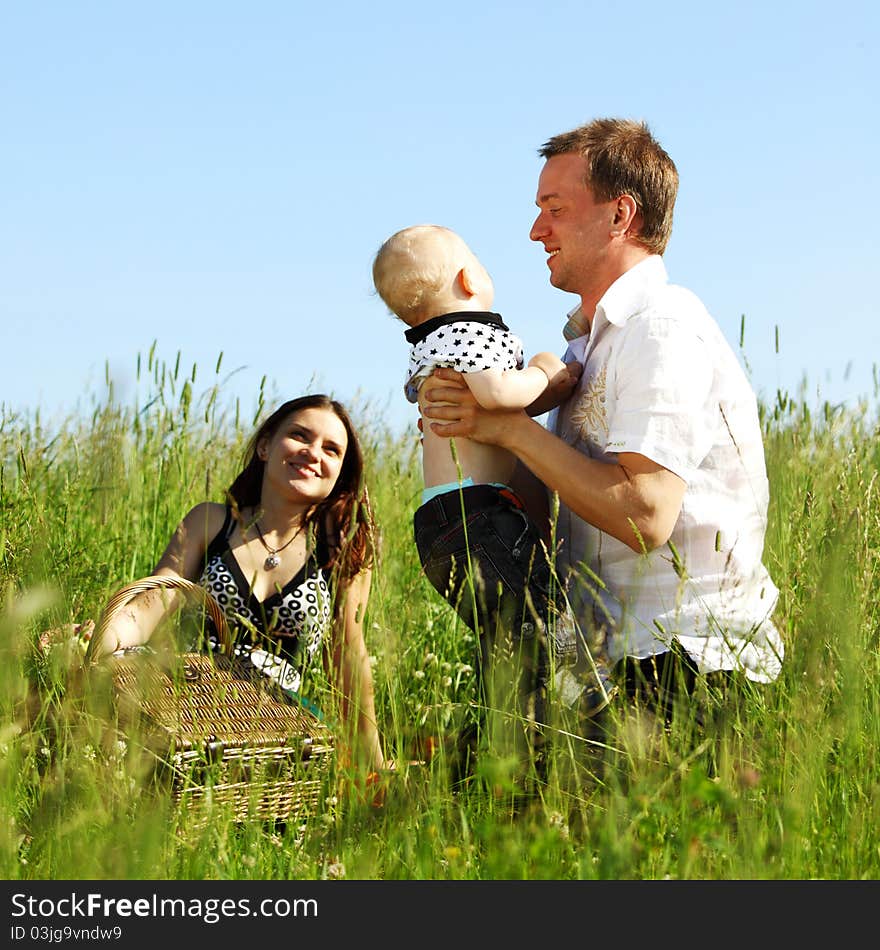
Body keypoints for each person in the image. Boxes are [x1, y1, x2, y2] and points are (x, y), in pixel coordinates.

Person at [421, 118, 783, 734]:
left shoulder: (661, 327)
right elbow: (551, 506)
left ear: (621, 215)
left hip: (684, 669)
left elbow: (645, 516)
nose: (537, 231)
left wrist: (512, 432)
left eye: (554, 210)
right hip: (609, 664)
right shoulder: (587, 349)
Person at [372, 224, 617, 782]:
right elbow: (496, 395)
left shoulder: (431, 345)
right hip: (478, 517)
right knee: (542, 620)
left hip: (447, 524)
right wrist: (545, 374)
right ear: (468, 277)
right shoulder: (468, 332)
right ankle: (589, 702)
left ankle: (486, 762)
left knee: (505, 649)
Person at [89, 394, 387, 775]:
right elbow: (151, 603)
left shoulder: (340, 548)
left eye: (331, 449)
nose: (313, 453)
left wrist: (373, 764)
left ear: (340, 472)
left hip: (278, 723)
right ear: (265, 445)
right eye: (300, 436)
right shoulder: (211, 523)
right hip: (183, 703)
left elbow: (349, 654)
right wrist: (99, 639)